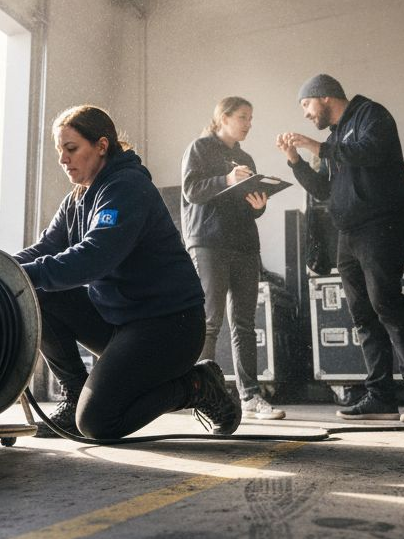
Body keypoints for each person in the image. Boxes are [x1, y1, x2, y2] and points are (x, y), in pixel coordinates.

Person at [17, 105, 242, 439]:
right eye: (59, 150)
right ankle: (75, 392)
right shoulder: (78, 198)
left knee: (96, 423)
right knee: (39, 291)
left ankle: (196, 385)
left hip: (170, 328)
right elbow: (45, 250)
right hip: (122, 323)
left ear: (102, 146)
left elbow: (95, 257)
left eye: (71, 148)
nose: (63, 159)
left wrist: (21, 275)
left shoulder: (127, 187)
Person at [276, 74, 404, 423]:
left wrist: (316, 146)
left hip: (381, 226)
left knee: (386, 304)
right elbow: (323, 190)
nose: (306, 114)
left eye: (306, 105)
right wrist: (295, 160)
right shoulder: (334, 138)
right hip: (348, 234)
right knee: (363, 315)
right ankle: (380, 396)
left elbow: (369, 152)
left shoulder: (371, 115)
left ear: (323, 97)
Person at [181, 97, 285, 421]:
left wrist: (259, 205)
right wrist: (227, 180)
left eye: (251, 118)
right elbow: (191, 191)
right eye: (243, 117)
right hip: (210, 244)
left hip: (243, 245)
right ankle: (200, 393)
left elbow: (249, 205)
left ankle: (251, 396)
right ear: (223, 118)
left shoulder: (245, 156)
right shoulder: (199, 148)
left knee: (245, 323)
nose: (248, 124)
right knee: (210, 321)